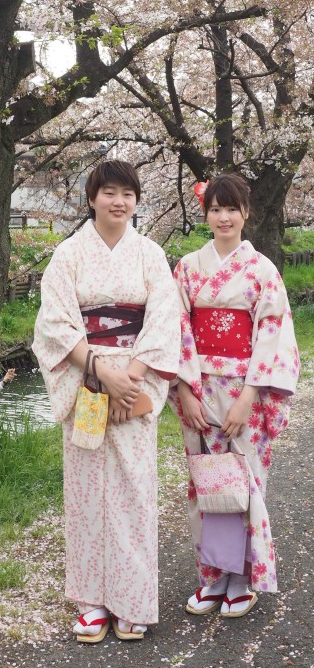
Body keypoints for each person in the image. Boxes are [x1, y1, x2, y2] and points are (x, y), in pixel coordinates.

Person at [32, 160, 181, 643]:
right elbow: (55, 324)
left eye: (128, 194)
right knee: (86, 493)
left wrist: (130, 379)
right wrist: (101, 374)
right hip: (87, 378)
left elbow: (163, 319)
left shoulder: (150, 254)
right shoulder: (69, 254)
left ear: (137, 202)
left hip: (135, 380)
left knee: (135, 493)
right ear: (92, 197)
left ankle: (133, 600)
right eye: (109, 192)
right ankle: (92, 602)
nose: (119, 202)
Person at [170, 173, 299, 618]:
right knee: (206, 481)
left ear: (246, 212)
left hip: (247, 391)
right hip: (200, 389)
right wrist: (185, 390)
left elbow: (272, 335)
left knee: (244, 482)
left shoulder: (262, 270)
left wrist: (249, 397)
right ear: (205, 214)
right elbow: (178, 331)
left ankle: (242, 577)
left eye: (232, 208)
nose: (223, 217)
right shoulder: (187, 267)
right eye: (215, 209)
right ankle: (212, 575)